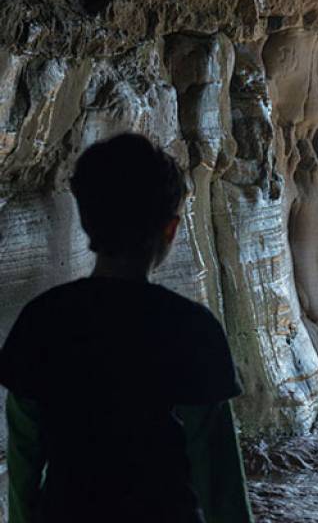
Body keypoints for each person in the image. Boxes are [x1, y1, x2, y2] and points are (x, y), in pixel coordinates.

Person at [0, 133, 254, 523]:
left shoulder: (42, 319)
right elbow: (219, 482)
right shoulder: (192, 329)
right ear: (170, 230)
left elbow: (23, 465)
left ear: (86, 220)